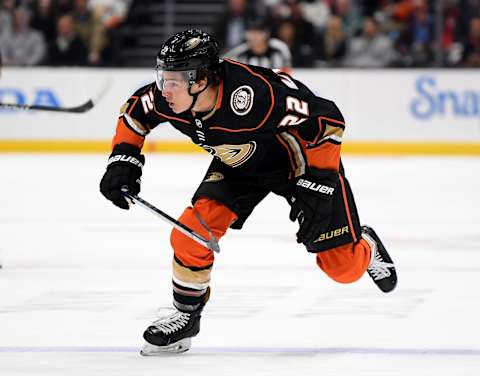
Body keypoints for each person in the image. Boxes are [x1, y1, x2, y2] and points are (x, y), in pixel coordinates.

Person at [99, 29, 397, 355]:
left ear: (200, 80)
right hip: (239, 162)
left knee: (343, 269)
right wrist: (123, 161)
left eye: (173, 80)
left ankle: (365, 244)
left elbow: (328, 119)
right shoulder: (168, 98)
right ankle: (186, 317)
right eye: (163, 77)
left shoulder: (253, 96)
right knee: (190, 235)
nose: (164, 89)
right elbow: (135, 112)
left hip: (297, 163)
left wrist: (321, 177)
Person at [223, 16, 291, 70]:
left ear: (267, 33)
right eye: (251, 32)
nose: (255, 36)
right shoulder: (239, 53)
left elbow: (287, 71)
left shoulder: (279, 49)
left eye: (259, 32)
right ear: (245, 34)